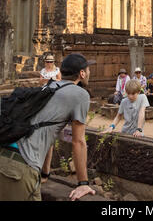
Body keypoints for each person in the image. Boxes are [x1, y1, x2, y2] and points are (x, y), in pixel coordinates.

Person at [0, 53, 96, 201]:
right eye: (88, 70)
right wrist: (83, 183)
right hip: (20, 168)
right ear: (82, 74)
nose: (89, 73)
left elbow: (47, 135)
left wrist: (45, 173)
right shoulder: (80, 94)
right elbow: (79, 142)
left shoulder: (48, 87)